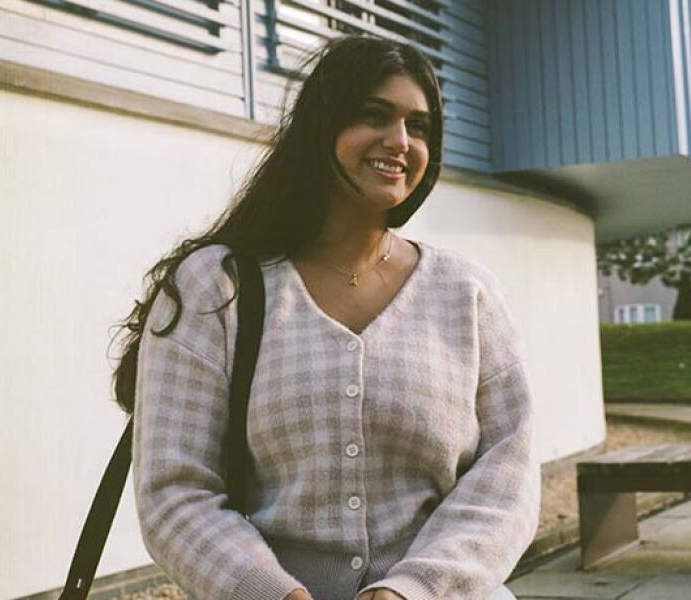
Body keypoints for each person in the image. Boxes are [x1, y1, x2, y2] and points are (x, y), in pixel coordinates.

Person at [115, 35, 539, 600]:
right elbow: (175, 491)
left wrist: (410, 590)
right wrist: (274, 594)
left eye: (419, 126)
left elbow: (506, 477)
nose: (400, 141)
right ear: (323, 126)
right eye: (374, 115)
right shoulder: (215, 287)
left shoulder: (469, 295)